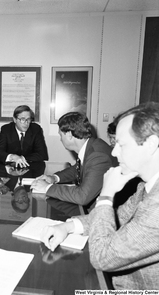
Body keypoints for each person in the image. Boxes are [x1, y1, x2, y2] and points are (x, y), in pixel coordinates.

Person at [41, 102, 159, 290]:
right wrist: (69, 225)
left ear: (151, 144)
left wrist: (106, 195)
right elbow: (119, 216)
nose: (113, 152)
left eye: (121, 144)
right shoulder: (147, 187)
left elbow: (102, 257)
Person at [31, 112, 116, 209]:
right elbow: (77, 168)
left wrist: (47, 187)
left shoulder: (98, 156)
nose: (60, 139)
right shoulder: (91, 147)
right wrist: (54, 178)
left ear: (69, 135)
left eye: (61, 135)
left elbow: (82, 197)